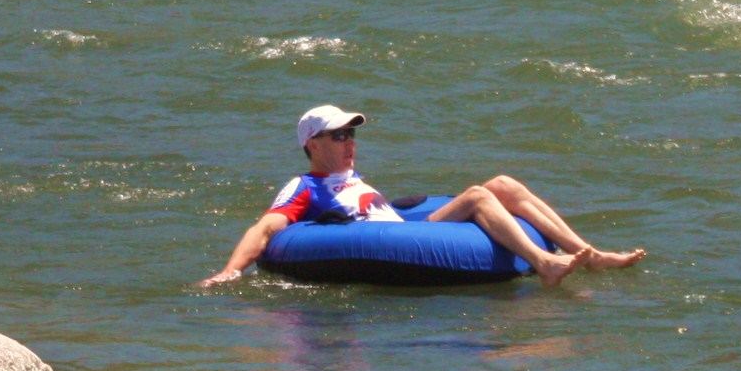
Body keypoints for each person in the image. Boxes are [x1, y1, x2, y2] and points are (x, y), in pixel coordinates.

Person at [197, 105, 645, 288]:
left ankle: (591, 253)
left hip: (408, 228)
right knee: (476, 196)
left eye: (352, 134)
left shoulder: (353, 177)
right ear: (313, 144)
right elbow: (267, 227)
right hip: (390, 240)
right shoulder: (305, 187)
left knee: (503, 184)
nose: (350, 141)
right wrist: (229, 272)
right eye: (338, 136)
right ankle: (544, 264)